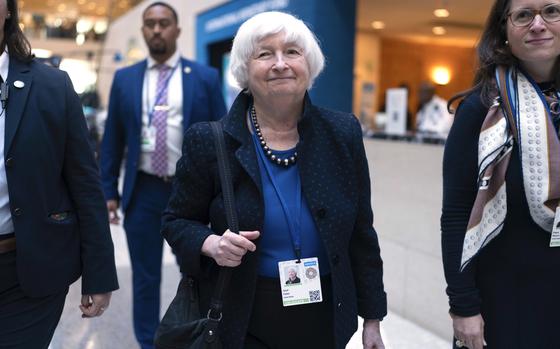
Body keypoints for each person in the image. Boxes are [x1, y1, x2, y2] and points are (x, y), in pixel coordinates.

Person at [161, 11, 387, 349]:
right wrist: (212, 245)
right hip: (242, 315)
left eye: (292, 52)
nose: (280, 63)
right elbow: (176, 221)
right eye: (265, 54)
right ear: (244, 71)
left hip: (323, 314)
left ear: (308, 64)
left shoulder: (342, 133)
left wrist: (372, 321)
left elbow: (361, 233)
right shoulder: (210, 141)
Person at [99, 2, 226, 348]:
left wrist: (223, 194)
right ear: (143, 30)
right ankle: (147, 342)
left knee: (195, 273)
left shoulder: (205, 77)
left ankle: (195, 337)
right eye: (150, 24)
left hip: (192, 194)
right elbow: (112, 140)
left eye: (164, 23)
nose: (157, 29)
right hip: (143, 192)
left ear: (176, 30)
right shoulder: (125, 80)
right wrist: (108, 190)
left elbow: (223, 137)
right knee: (145, 277)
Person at [0, 0, 119, 347]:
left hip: (29, 273)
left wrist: (99, 273)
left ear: (9, 9)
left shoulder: (52, 86)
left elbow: (84, 183)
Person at [441, 0, 560, 348]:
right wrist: (463, 306)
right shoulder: (480, 109)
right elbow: (456, 216)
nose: (538, 24)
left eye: (552, 11)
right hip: (507, 299)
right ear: (504, 31)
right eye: (524, 15)